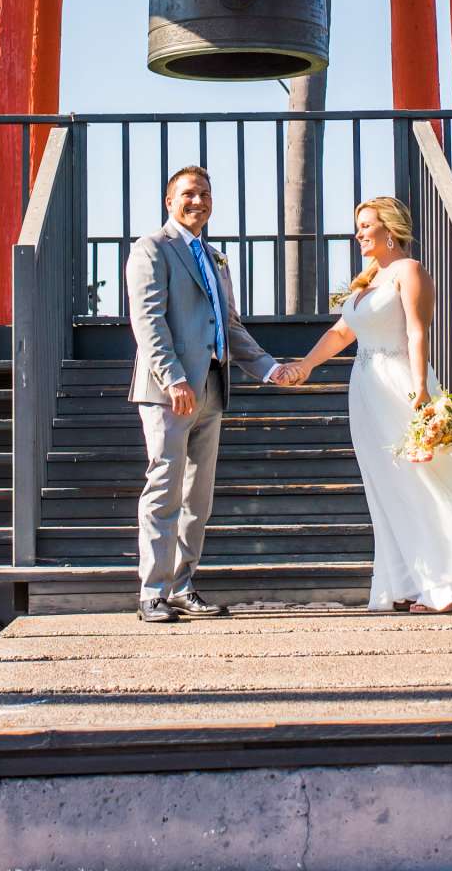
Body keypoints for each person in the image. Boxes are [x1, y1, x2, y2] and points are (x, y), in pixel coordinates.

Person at [289, 195, 452, 613]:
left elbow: (417, 333)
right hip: (365, 392)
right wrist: (304, 364)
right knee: (386, 488)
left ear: (390, 229)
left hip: (400, 384)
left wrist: (420, 389)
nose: (358, 233)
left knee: (423, 484)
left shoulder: (409, 272)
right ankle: (405, 581)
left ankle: (447, 588)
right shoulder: (366, 282)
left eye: (366, 224)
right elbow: (342, 334)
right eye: (358, 225)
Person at [126, 165, 288, 623]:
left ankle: (181, 584)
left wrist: (269, 368)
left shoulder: (217, 258)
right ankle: (152, 593)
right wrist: (173, 377)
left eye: (205, 194)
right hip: (169, 392)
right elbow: (149, 322)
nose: (198, 202)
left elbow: (229, 325)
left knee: (198, 498)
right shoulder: (151, 249)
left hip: (213, 388)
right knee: (164, 489)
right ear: (169, 200)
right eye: (188, 194)